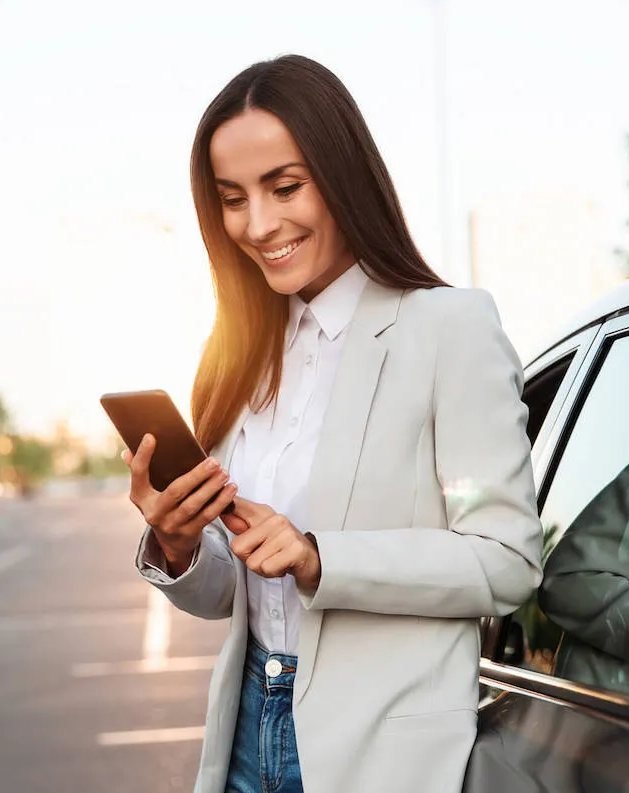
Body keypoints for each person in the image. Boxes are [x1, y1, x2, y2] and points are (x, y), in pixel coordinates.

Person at [122, 55, 542, 793]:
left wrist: (322, 557)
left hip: (384, 752)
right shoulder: (238, 358)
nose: (259, 224)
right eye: (232, 198)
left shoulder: (448, 329)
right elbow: (233, 593)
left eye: (285, 187)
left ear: (343, 174)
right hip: (249, 732)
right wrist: (181, 543)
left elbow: (504, 559)